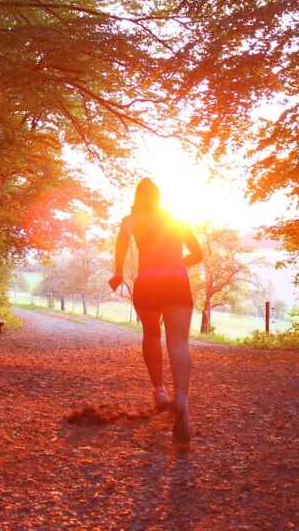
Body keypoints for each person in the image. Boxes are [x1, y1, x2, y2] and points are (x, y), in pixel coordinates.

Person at [109, 178, 202, 444]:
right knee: (179, 342)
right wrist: (176, 263)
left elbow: (121, 248)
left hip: (147, 283)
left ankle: (160, 392)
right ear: (159, 197)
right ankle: (182, 400)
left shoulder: (131, 220)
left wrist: (117, 273)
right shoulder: (176, 219)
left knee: (151, 333)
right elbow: (198, 253)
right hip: (176, 282)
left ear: (138, 197)